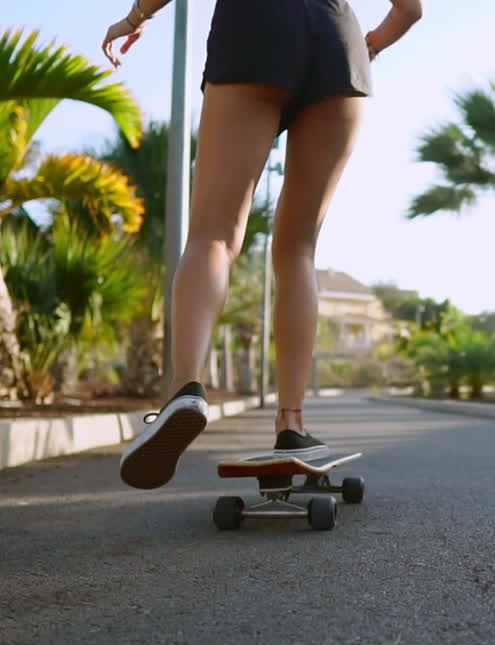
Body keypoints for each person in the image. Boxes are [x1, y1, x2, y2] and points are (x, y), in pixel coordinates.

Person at [104, 0, 422, 489]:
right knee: (298, 251)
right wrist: (370, 46)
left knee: (213, 236)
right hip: (337, 44)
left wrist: (135, 19)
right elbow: (410, 10)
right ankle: (291, 422)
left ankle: (184, 390)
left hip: (252, 28)